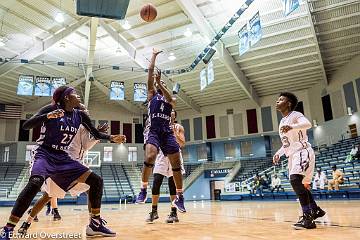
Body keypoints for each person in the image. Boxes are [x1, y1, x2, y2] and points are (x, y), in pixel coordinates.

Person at [0, 86, 126, 240]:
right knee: (36, 182)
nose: (79, 96)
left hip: (62, 157)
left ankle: (95, 224)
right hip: (44, 153)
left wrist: (111, 137)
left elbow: (94, 132)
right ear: (66, 97)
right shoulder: (51, 108)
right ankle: (8, 228)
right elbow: (26, 125)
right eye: (75, 94)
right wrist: (47, 116)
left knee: (96, 181)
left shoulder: (79, 115)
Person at [17, 103, 109, 235]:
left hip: (66, 164)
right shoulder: (80, 125)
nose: (86, 111)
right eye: (84, 109)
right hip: (70, 166)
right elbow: (87, 145)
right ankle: (94, 223)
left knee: (48, 196)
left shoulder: (72, 124)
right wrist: (97, 136)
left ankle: (27, 223)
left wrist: (96, 135)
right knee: (88, 189)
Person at [135, 49, 185, 213]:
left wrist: (161, 84)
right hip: (154, 130)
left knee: (176, 164)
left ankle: (180, 197)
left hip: (166, 132)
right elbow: (150, 72)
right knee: (150, 156)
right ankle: (143, 189)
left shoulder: (169, 99)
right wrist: (154, 56)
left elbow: (171, 99)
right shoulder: (152, 95)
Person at [273, 92, 325, 230]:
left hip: (302, 151)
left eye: (281, 99)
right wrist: (278, 153)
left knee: (295, 180)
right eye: (277, 100)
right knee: (299, 184)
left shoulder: (295, 115)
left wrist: (293, 127)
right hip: (292, 154)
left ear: (288, 103)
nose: (277, 101)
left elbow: (307, 124)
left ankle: (308, 217)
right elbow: (287, 143)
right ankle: (315, 210)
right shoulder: (282, 122)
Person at [146, 110, 185, 224]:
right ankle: (154, 211)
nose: (171, 113)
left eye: (173, 112)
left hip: (174, 155)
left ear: (175, 116)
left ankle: (174, 213)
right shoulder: (159, 126)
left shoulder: (179, 127)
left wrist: (175, 134)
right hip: (162, 156)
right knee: (156, 182)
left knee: (172, 185)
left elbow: (182, 143)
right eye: (169, 112)